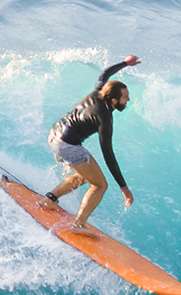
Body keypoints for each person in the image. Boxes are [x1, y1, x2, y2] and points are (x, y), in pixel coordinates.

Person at [40, 55, 140, 235]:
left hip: (54, 135)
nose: (129, 100)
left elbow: (105, 74)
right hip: (67, 145)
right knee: (100, 185)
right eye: (125, 97)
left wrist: (125, 63)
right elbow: (108, 154)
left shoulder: (100, 90)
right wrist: (124, 188)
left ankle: (50, 200)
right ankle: (79, 224)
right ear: (114, 99)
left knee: (85, 175)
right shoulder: (105, 119)